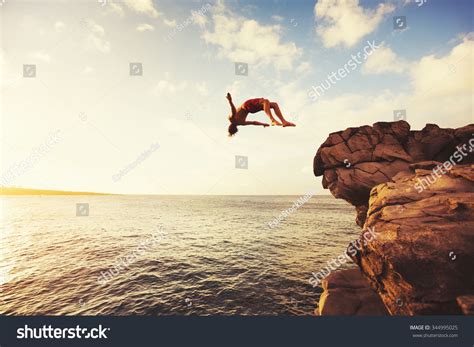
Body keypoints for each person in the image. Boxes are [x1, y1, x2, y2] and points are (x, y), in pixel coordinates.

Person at [226, 93, 296, 136]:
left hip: (252, 110)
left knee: (273, 104)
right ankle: (273, 120)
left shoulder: (241, 123)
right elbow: (234, 111)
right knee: (265, 101)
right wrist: (230, 101)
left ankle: (284, 122)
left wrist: (263, 124)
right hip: (247, 105)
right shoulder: (231, 119)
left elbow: (253, 123)